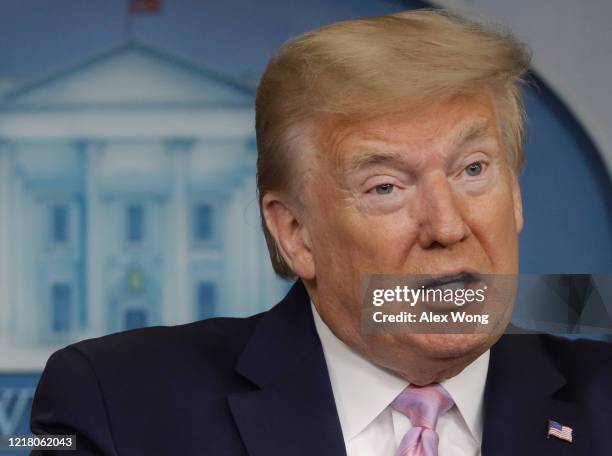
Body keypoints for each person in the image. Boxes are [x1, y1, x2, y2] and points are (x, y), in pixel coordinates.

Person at [30, 9, 611, 456]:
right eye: (386, 187)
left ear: (514, 196)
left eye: (473, 170)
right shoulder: (116, 406)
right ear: (295, 234)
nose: (448, 226)